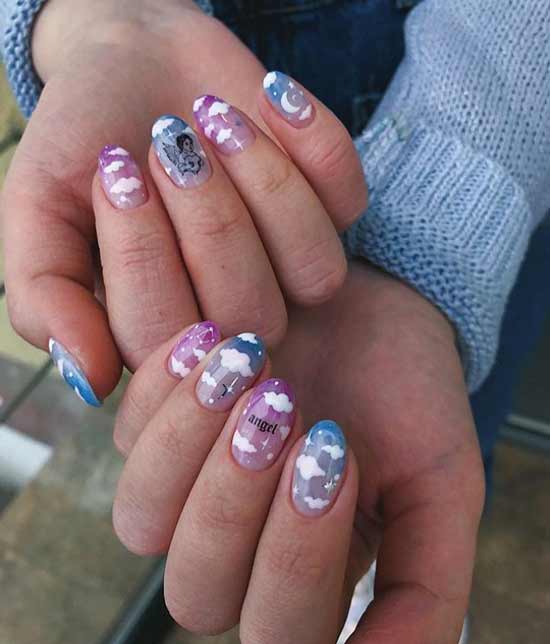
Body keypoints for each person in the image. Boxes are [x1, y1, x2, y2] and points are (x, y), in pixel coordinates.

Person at [1, 0, 550, 642]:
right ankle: (338, 528)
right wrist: (100, 19)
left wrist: (448, 204)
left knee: (458, 427)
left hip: (515, 109)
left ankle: (357, 529)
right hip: (199, 76)